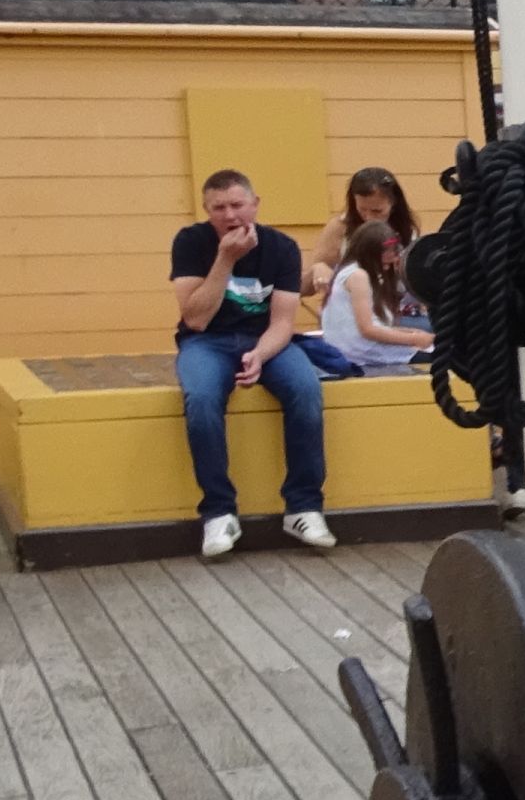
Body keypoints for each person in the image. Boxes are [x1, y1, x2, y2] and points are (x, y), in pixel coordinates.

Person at [169, 169, 333, 559]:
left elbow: (283, 322)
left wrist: (260, 355)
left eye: (237, 205)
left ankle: (303, 507)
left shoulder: (281, 247)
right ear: (206, 210)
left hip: (267, 340)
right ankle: (218, 512)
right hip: (207, 341)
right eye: (218, 208)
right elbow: (195, 318)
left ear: (255, 205)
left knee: (306, 389)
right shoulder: (190, 242)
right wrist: (225, 259)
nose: (230, 215)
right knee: (202, 399)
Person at [310, 219, 429, 376]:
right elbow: (368, 330)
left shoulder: (347, 271)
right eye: (385, 263)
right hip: (362, 353)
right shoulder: (358, 276)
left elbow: (371, 324)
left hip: (357, 349)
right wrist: (413, 340)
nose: (388, 266)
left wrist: (411, 332)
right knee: (447, 355)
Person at [303, 165, 420, 302]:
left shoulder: (406, 229)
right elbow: (305, 287)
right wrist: (318, 269)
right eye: (362, 210)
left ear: (393, 204)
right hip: (351, 306)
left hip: (397, 306)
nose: (368, 217)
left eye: (377, 211)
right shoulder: (340, 227)